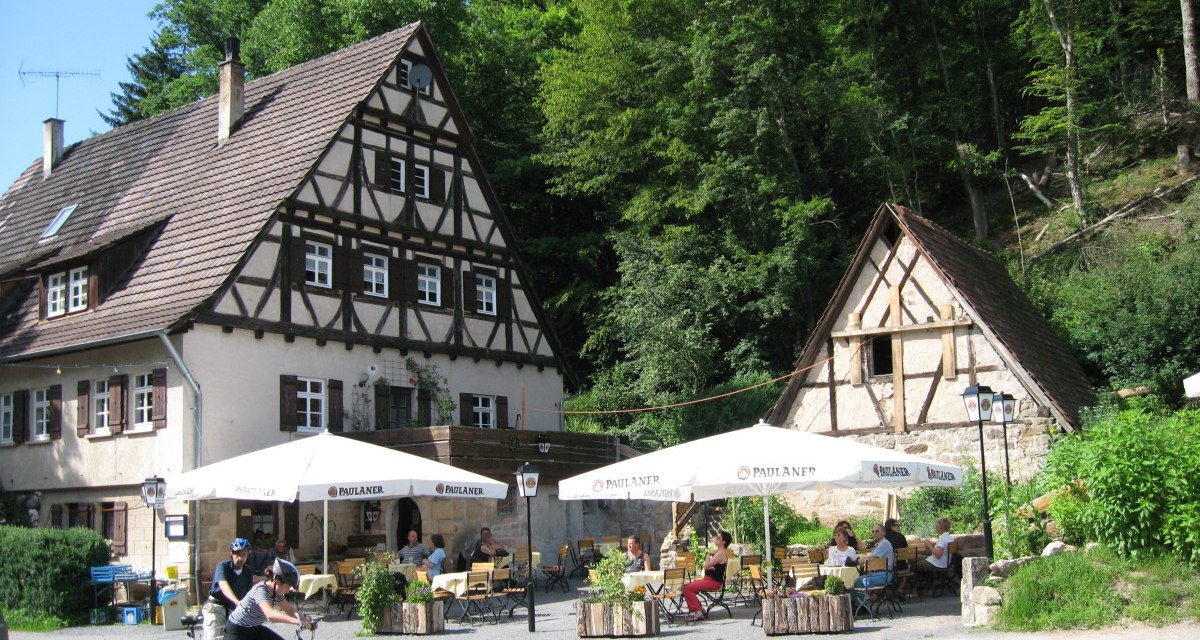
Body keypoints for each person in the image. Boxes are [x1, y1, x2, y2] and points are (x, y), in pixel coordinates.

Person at [223, 558, 316, 640]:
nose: (288, 591)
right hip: (237, 631)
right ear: (277, 581)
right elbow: (270, 615)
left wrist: (306, 620)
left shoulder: (276, 592)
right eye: (288, 587)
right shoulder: (261, 590)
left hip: (254, 629)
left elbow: (290, 610)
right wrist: (297, 621)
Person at [203, 538, 270, 640]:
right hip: (216, 607)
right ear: (231, 554)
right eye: (237, 554)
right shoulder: (223, 566)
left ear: (247, 555)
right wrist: (237, 601)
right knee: (213, 637)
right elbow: (223, 585)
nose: (240, 558)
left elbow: (249, 594)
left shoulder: (247, 571)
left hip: (234, 610)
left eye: (243, 555)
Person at [682, 531, 731, 622]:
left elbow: (705, 566)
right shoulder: (718, 552)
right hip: (709, 580)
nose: (716, 539)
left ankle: (698, 612)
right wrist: (709, 565)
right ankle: (700, 609)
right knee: (687, 587)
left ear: (724, 542)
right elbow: (708, 566)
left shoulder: (720, 553)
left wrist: (708, 555)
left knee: (687, 588)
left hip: (713, 582)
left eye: (719, 538)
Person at [852, 524, 895, 608]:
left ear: (884, 533)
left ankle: (859, 606)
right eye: (873, 531)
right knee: (857, 579)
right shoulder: (880, 544)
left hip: (885, 575)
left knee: (858, 581)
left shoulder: (884, 543)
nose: (874, 533)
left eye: (877, 531)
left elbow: (872, 557)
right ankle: (861, 604)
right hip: (880, 574)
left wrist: (857, 561)